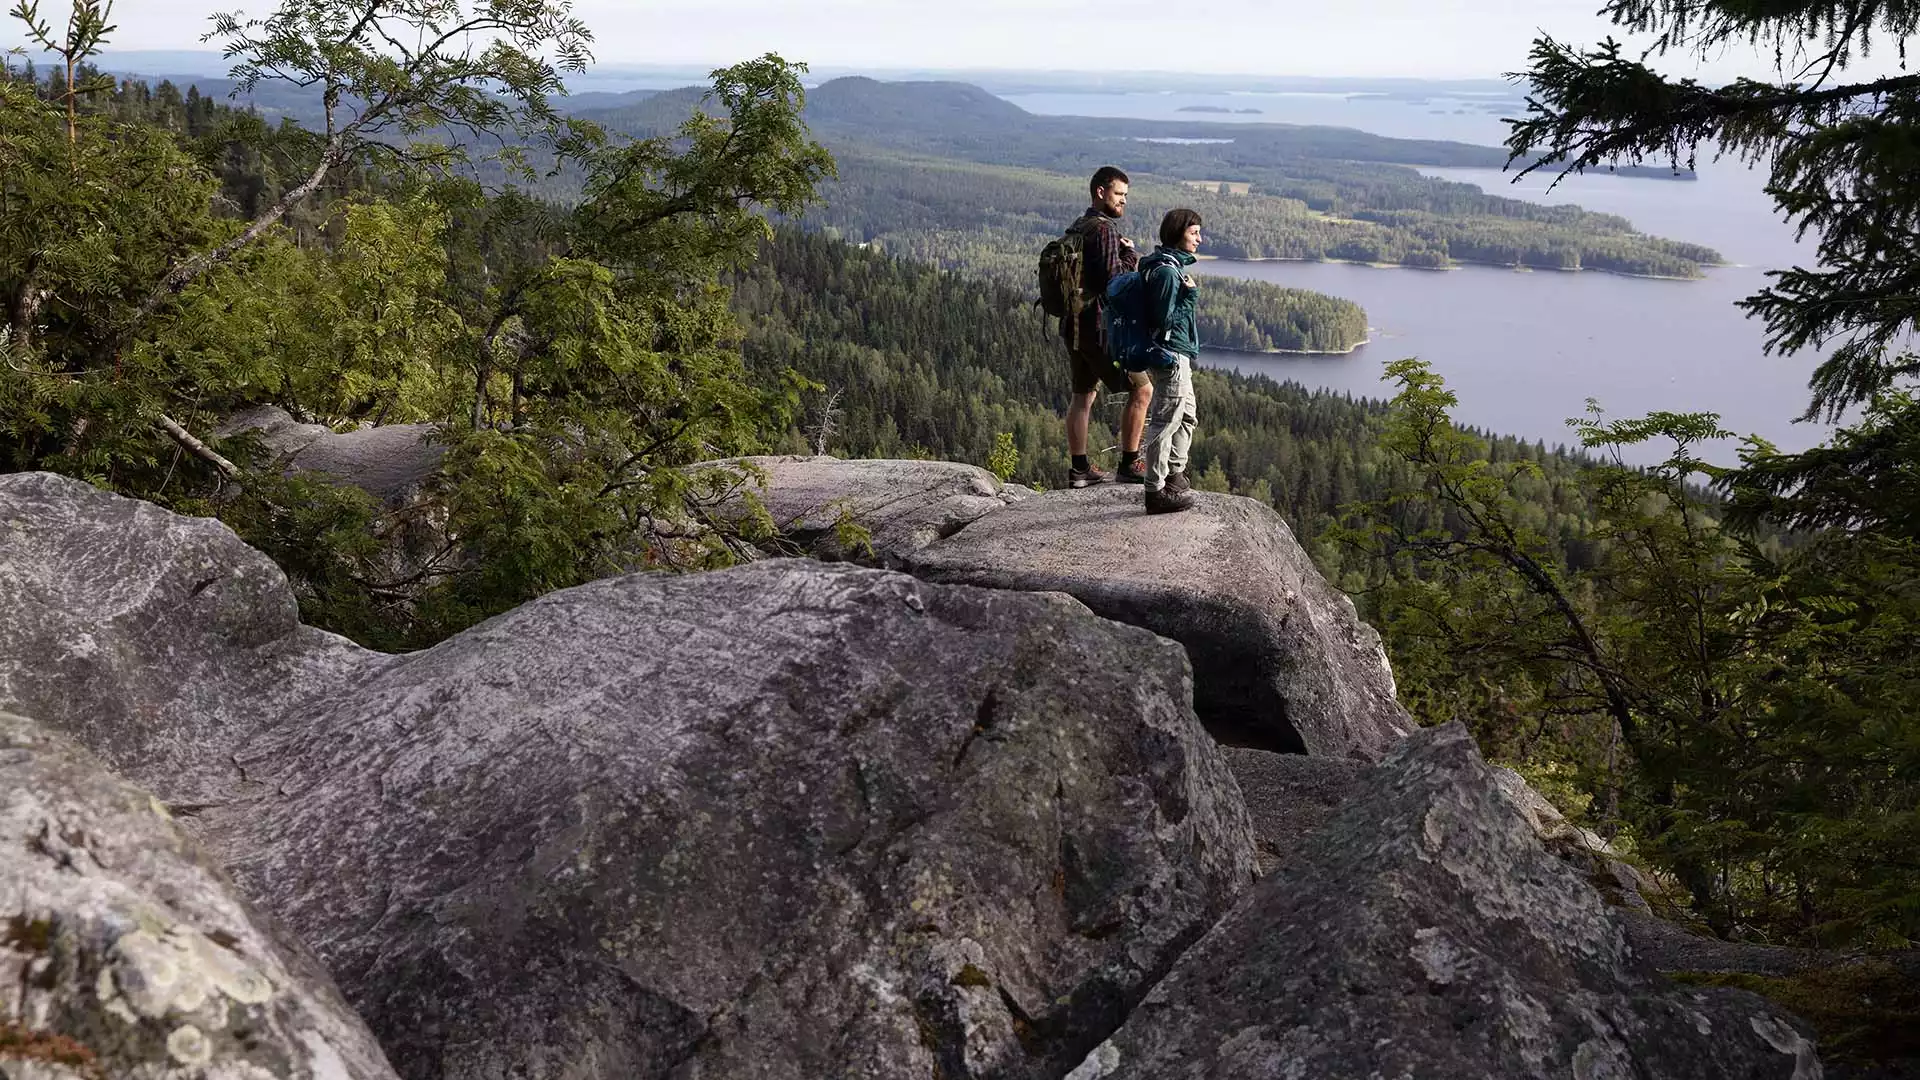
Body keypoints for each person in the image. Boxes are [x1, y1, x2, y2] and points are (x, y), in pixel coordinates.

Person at [1061, 166, 1154, 488]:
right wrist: (1129, 254)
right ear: (1100, 192)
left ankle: (1079, 469)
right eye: (1119, 194)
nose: (1123, 202)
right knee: (1143, 389)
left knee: (1082, 396)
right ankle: (1130, 463)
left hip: (1074, 324)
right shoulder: (1103, 231)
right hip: (1099, 329)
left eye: (1126, 196)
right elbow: (1115, 284)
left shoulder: (1078, 226)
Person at [1139, 208, 1204, 514]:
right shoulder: (1167, 272)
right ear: (1178, 233)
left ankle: (1174, 475)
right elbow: (1160, 321)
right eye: (1194, 233)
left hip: (1180, 354)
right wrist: (1190, 298)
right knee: (1165, 423)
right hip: (1170, 356)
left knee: (1187, 416)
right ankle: (1156, 492)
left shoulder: (1172, 267)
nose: (1199, 239)